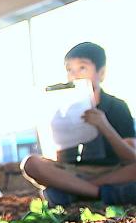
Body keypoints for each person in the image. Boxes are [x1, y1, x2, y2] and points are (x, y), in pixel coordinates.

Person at [22, 42, 136, 206]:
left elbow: (131, 157)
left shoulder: (116, 106)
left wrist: (104, 125)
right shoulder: (61, 109)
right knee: (31, 163)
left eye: (82, 68)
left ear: (101, 73)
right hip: (74, 172)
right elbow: (58, 159)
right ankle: (101, 194)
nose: (75, 75)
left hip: (112, 171)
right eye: (69, 70)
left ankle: (74, 192)